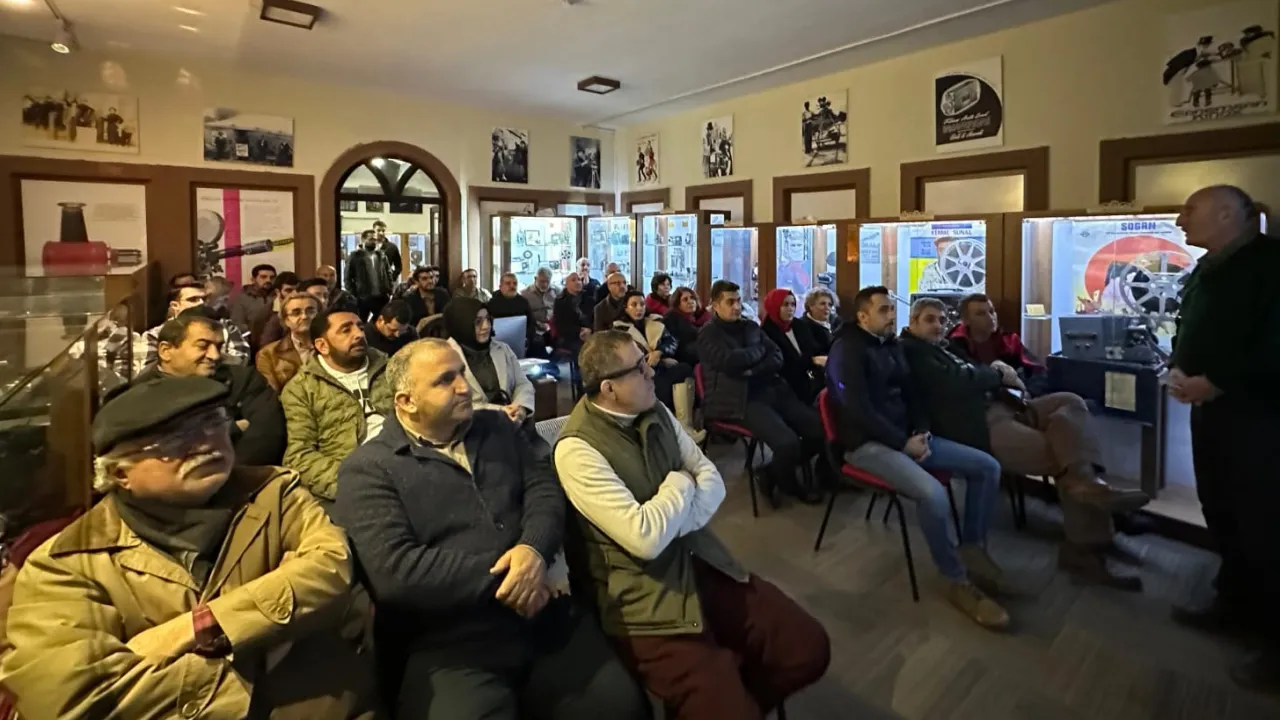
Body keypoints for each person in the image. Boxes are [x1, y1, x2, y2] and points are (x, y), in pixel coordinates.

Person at [0, 377, 379, 719]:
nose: (206, 444)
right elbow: (71, 699)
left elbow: (331, 566)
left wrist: (199, 628)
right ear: (119, 473)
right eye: (174, 440)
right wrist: (264, 643)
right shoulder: (67, 562)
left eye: (213, 422)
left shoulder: (275, 493)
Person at [334, 339, 649, 719]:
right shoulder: (369, 469)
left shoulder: (497, 427)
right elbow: (396, 572)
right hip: (451, 643)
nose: (464, 387)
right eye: (445, 380)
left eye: (462, 373)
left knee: (621, 707)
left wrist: (533, 550)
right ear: (406, 402)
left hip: (543, 616)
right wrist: (516, 577)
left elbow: (544, 488)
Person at [554, 331, 830, 718]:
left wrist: (669, 521)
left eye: (645, 361)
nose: (651, 371)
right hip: (643, 598)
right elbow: (646, 541)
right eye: (638, 368)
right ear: (609, 388)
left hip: (701, 559)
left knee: (808, 648)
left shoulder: (654, 409)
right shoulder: (577, 450)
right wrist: (680, 482)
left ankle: (733, 698)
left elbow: (711, 479)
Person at [899, 297, 1150, 589]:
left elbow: (988, 372)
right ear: (912, 322)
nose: (938, 325)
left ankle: (1090, 496)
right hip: (979, 425)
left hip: (1009, 403)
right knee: (1066, 454)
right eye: (930, 320)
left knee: (1071, 403)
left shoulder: (946, 346)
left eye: (942, 319)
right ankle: (1086, 547)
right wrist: (996, 373)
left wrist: (1000, 377)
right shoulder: (913, 351)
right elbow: (959, 381)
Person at [826, 286, 1007, 629]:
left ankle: (971, 548)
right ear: (862, 316)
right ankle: (955, 578)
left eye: (891, 309)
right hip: (866, 444)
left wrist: (921, 430)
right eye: (883, 310)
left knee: (987, 466)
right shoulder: (846, 350)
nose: (891, 316)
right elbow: (857, 409)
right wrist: (901, 441)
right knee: (933, 495)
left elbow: (913, 396)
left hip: (907, 437)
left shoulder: (890, 345)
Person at [1167, 185, 1280, 691]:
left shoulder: (1271, 267)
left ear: (1227, 214)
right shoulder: (1208, 268)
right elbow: (1189, 326)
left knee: (1265, 526)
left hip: (1259, 420)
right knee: (1223, 511)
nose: (1179, 220)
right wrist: (1178, 366)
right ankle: (1234, 606)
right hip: (1213, 415)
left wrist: (1217, 383)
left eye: (1189, 210)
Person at [699, 280, 825, 505]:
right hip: (739, 398)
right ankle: (790, 485)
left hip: (772, 389)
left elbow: (776, 356)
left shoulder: (750, 326)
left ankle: (771, 472)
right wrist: (759, 353)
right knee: (787, 442)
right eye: (730, 302)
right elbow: (730, 361)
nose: (737, 306)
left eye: (739, 301)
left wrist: (752, 366)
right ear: (715, 305)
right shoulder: (708, 334)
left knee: (820, 430)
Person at [136, 307, 286, 467]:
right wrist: (232, 428)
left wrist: (222, 473)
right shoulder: (138, 393)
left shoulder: (244, 379)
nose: (215, 355)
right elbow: (151, 450)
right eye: (203, 346)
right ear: (166, 351)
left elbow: (268, 434)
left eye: (219, 347)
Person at [281, 308, 392, 507]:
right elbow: (299, 456)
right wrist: (352, 483)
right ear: (322, 346)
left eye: (360, 327)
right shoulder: (302, 389)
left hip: (406, 462)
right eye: (346, 330)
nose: (359, 334)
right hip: (352, 477)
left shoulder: (390, 368)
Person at [612, 290, 702, 441]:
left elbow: (671, 341)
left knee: (684, 369)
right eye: (634, 305)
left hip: (658, 368)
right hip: (638, 374)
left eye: (642, 304)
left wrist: (660, 352)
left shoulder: (655, 322)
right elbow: (626, 357)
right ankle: (670, 430)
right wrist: (658, 359)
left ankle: (685, 425)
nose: (639, 308)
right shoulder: (619, 330)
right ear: (626, 308)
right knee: (661, 383)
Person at [948, 293, 1048, 396]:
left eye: (992, 311)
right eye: (981, 314)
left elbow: (1038, 370)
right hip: (979, 399)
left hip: (1016, 397)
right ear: (966, 320)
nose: (990, 317)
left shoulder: (1009, 341)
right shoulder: (955, 344)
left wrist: (1029, 392)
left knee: (1059, 398)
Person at [144, 282, 250, 367]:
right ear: (175, 305)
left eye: (204, 299)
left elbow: (241, 362)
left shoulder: (227, 327)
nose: (201, 303)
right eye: (193, 299)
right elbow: (149, 370)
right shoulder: (154, 335)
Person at [760, 288, 825, 405]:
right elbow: (782, 364)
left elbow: (813, 348)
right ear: (775, 306)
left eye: (793, 304)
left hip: (810, 382)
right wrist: (812, 361)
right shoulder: (766, 333)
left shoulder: (799, 325)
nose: (790, 308)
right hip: (785, 389)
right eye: (785, 305)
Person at [257, 293, 319, 393]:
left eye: (310, 311)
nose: (304, 316)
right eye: (296, 313)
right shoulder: (268, 354)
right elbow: (270, 394)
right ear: (286, 320)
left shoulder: (335, 348)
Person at [344, 230, 394, 322]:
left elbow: (388, 273)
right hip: (363, 297)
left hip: (381, 297)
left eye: (375, 239)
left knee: (382, 321)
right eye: (371, 239)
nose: (373, 242)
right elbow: (347, 278)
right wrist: (354, 294)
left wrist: (390, 289)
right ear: (363, 240)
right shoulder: (355, 256)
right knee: (361, 322)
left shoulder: (381, 255)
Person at [258, 274, 320, 347]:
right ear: (278, 292)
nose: (294, 293)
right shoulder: (265, 313)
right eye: (288, 290)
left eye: (297, 290)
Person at [489, 271, 535, 355]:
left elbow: (531, 323)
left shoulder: (523, 302)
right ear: (500, 287)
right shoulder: (492, 304)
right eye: (508, 283)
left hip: (520, 340)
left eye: (515, 283)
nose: (512, 286)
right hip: (497, 342)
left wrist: (527, 338)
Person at [664, 286, 710, 366]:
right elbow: (692, 334)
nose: (690, 301)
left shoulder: (697, 317)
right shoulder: (672, 317)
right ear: (677, 304)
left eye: (692, 298)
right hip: (681, 357)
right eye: (685, 299)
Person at [229, 263, 276, 341]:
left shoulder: (278, 296)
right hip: (252, 344)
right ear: (253, 279)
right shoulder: (243, 298)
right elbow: (238, 325)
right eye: (263, 277)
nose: (268, 280)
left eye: (272, 277)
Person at [520, 267, 558, 357]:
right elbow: (525, 316)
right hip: (535, 328)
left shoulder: (557, 291)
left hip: (553, 327)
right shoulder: (525, 294)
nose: (545, 284)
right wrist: (539, 324)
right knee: (537, 343)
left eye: (547, 281)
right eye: (542, 281)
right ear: (535, 279)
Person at [553, 271, 594, 353]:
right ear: (566, 284)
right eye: (573, 280)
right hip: (570, 336)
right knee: (584, 349)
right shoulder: (560, 302)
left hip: (590, 333)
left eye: (579, 279)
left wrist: (590, 330)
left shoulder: (589, 298)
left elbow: (594, 318)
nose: (578, 282)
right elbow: (561, 326)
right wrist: (580, 330)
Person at [797, 286, 842, 354]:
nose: (827, 308)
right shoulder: (802, 326)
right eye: (822, 304)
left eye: (830, 305)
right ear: (811, 306)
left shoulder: (837, 322)